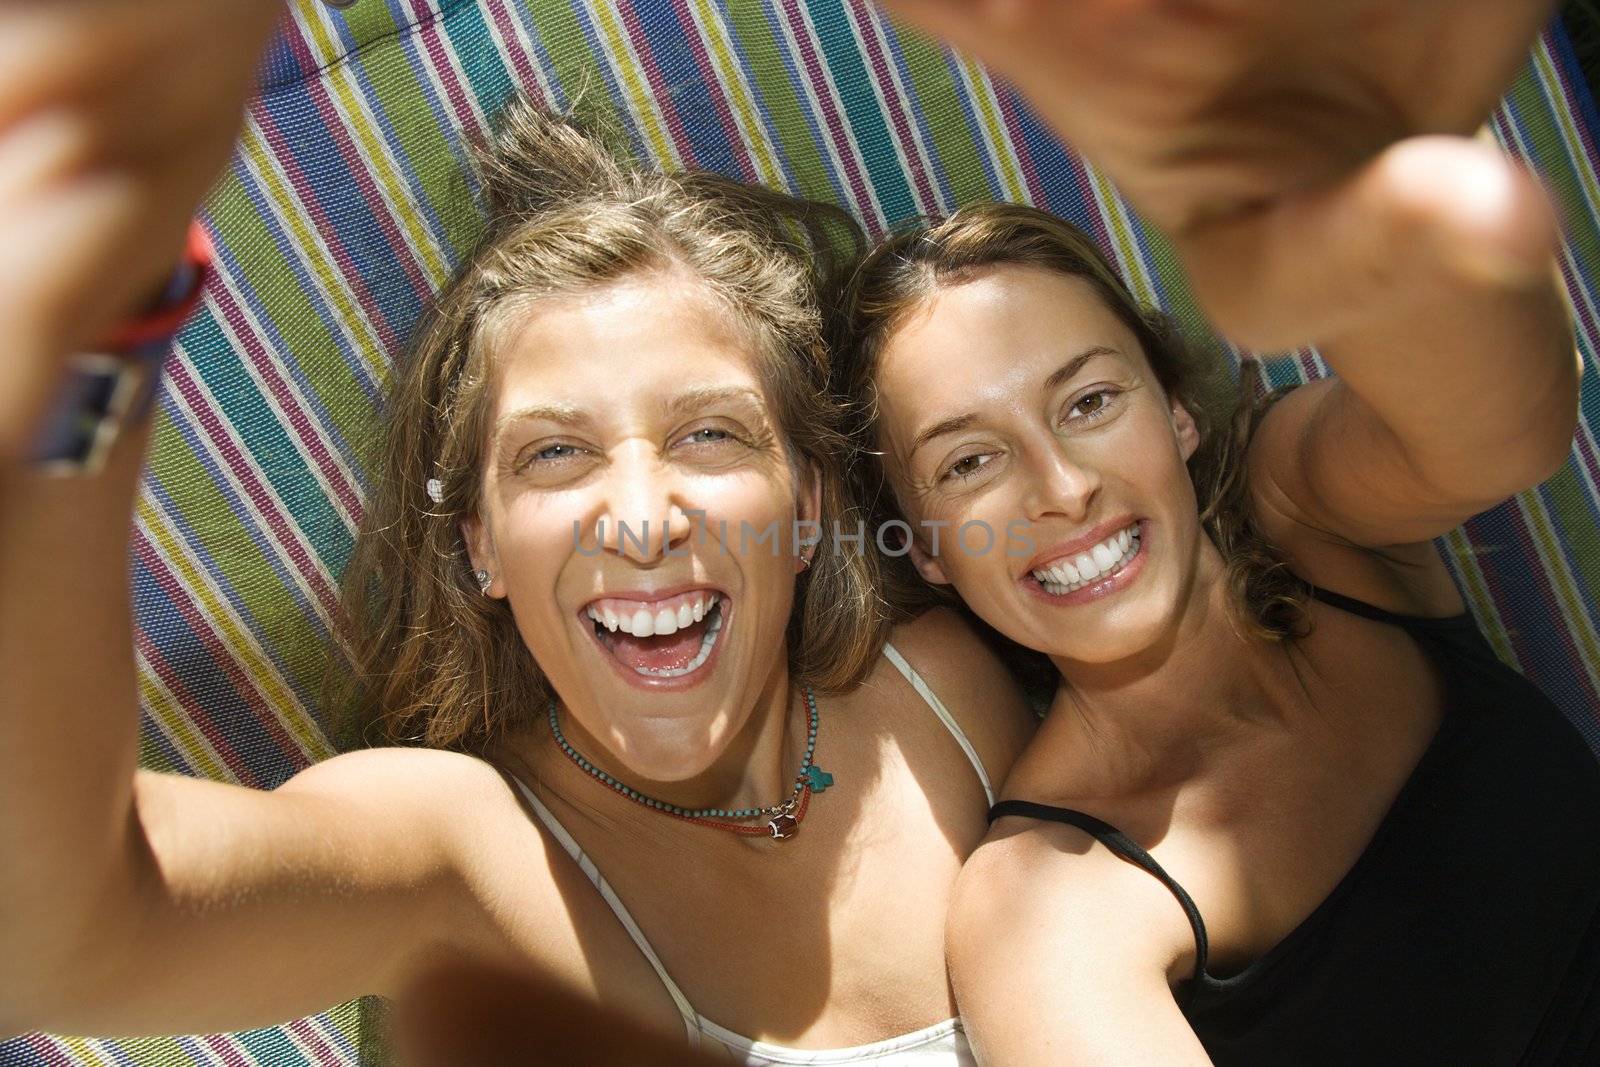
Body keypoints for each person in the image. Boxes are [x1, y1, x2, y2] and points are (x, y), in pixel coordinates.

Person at [0, 65, 1038, 1066]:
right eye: (555, 453)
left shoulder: (937, 694)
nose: (639, 518)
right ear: (480, 543)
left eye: (708, 434)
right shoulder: (457, 852)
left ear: (806, 505)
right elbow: (49, 933)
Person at [835, 184, 1596, 1061]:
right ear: (927, 551)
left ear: (1177, 412)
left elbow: (1511, 416)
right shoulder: (1049, 908)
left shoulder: (1309, 521)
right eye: (970, 461)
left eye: (1088, 402)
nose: (1062, 487)